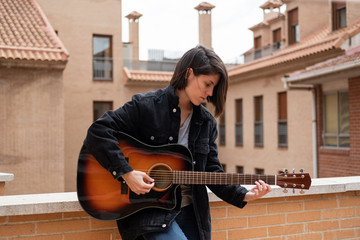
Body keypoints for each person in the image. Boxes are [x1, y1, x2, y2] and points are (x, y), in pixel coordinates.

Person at [83, 45, 271, 240]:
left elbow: (212, 172)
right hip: (151, 213)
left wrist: (244, 195)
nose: (210, 92)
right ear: (189, 73)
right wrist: (126, 173)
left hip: (192, 211)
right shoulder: (147, 106)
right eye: (207, 84)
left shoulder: (206, 122)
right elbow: (98, 131)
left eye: (213, 87)